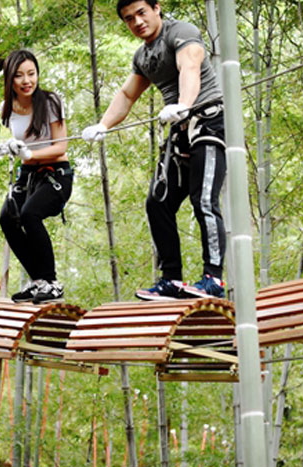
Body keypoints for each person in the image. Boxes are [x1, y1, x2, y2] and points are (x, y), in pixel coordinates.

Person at [82, 0, 227, 300]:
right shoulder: (143, 55)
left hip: (208, 120)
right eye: (129, 19)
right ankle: (171, 279)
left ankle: (213, 278)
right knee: (157, 202)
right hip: (180, 129)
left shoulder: (181, 32)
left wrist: (184, 106)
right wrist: (103, 125)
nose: (137, 22)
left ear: (157, 8)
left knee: (204, 200)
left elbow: (190, 67)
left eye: (141, 13)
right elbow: (127, 94)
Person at [0, 49, 73, 304]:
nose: (27, 81)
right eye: (20, 76)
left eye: (31, 74)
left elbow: (61, 147)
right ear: (10, 79)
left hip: (55, 173)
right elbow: (18, 142)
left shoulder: (51, 102)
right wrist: (3, 148)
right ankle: (39, 282)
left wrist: (30, 155)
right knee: (7, 218)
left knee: (29, 214)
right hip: (27, 174)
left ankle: (52, 282)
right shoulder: (6, 108)